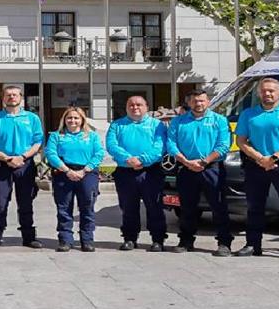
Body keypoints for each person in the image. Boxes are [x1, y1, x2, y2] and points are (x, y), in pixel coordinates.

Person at [235, 77, 279, 261]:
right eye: (264, 90)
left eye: (271, 91)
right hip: (256, 165)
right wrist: (260, 158)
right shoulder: (248, 114)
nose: (267, 94)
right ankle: (253, 244)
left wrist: (275, 157)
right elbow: (241, 141)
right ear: (259, 93)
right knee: (254, 207)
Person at [166, 89, 233, 256]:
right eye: (195, 101)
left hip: (212, 168)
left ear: (208, 101)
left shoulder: (219, 120)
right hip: (186, 168)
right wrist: (186, 161)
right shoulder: (178, 122)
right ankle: (186, 240)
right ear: (189, 103)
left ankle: (224, 243)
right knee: (187, 208)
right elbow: (171, 144)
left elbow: (224, 145)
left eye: (202, 100)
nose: (199, 104)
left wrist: (205, 161)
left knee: (218, 206)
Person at [0, 85, 44, 249]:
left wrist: (22, 157)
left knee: (26, 202)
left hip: (25, 165)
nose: (12, 97)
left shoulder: (32, 118)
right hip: (1, 165)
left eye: (15, 95)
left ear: (21, 98)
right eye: (8, 95)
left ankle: (29, 237)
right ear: (3, 98)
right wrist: (6, 157)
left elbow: (37, 142)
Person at [105, 95, 168, 251]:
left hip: (151, 171)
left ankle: (158, 240)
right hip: (125, 171)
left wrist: (143, 160)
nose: (135, 107)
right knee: (128, 207)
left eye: (139, 104)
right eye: (131, 105)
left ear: (146, 107)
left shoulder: (157, 125)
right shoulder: (117, 125)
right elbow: (112, 145)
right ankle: (129, 238)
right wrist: (128, 159)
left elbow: (160, 146)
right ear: (127, 108)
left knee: (154, 206)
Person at [44, 107, 104, 252]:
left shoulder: (92, 136)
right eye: (69, 118)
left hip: (87, 173)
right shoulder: (56, 136)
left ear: (82, 120)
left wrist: (85, 170)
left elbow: (99, 153)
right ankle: (65, 240)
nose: (73, 121)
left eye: (76, 118)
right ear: (64, 120)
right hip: (63, 173)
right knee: (64, 208)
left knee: (87, 208)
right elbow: (51, 154)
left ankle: (87, 240)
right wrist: (67, 170)